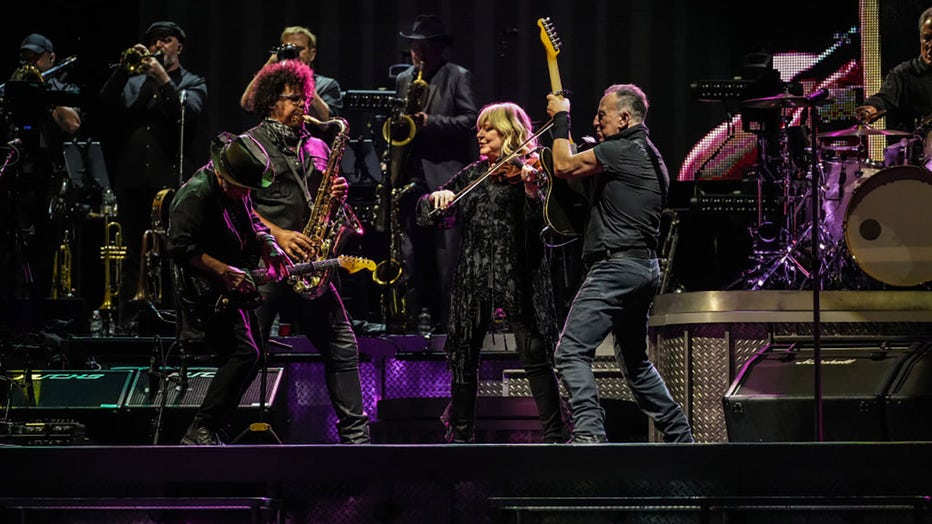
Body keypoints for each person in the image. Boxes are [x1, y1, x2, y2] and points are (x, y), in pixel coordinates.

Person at [544, 84, 693, 444]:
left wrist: (561, 119)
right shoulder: (647, 154)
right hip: (641, 268)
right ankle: (680, 437)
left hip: (617, 268)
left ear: (625, 118)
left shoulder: (623, 150)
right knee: (636, 363)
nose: (596, 121)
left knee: (571, 352)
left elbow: (564, 165)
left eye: (602, 115)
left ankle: (590, 433)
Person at [418, 102, 566, 443]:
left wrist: (531, 193)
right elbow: (429, 216)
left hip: (520, 275)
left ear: (510, 133)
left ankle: (555, 436)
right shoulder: (474, 174)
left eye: (490, 129)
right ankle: (462, 435)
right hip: (475, 274)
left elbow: (545, 229)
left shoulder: (531, 172)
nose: (480, 134)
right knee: (464, 355)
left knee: (534, 353)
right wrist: (435, 197)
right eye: (480, 129)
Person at [242, 59, 370, 444]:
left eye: (306, 99)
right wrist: (277, 233)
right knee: (245, 353)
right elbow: (237, 206)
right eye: (294, 99)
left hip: (310, 264)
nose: (303, 106)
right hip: (266, 266)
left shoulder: (316, 143)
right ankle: (214, 431)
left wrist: (333, 197)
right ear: (269, 102)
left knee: (343, 345)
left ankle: (358, 441)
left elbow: (319, 199)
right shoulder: (249, 145)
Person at [167, 131, 289, 445]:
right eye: (242, 188)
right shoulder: (196, 194)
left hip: (229, 287)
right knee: (244, 352)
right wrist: (223, 271)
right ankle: (202, 429)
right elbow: (179, 247)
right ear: (222, 176)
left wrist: (270, 245)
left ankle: (212, 427)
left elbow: (253, 221)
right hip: (203, 292)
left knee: (252, 354)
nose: (245, 194)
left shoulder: (236, 190)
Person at [99, 20, 207, 331]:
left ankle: (182, 321)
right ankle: (129, 324)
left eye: (167, 40)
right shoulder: (134, 84)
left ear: (179, 47)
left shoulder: (192, 83)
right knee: (135, 253)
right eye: (154, 41)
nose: (160, 46)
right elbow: (106, 105)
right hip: (133, 180)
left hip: (173, 182)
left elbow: (190, 116)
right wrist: (123, 69)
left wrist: (164, 81)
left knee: (178, 252)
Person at [392, 14, 478, 331]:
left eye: (425, 47)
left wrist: (431, 122)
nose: (419, 53)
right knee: (414, 254)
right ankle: (416, 316)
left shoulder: (458, 76)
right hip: (411, 177)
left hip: (445, 177)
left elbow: (471, 120)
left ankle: (448, 319)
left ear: (439, 48)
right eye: (416, 47)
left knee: (447, 255)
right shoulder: (404, 80)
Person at [0, 33, 82, 300]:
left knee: (45, 248)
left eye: (36, 58)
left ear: (52, 58)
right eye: (26, 58)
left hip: (49, 179)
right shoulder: (15, 86)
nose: (31, 63)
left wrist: (44, 94)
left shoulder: (62, 88)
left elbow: (73, 125)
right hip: (16, 178)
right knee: (12, 249)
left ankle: (41, 311)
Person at [855, 7, 932, 167]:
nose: (930, 45)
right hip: (911, 162)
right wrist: (870, 108)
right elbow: (883, 99)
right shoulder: (903, 73)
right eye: (927, 38)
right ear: (920, 38)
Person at [240, 25, 342, 121]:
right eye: (289, 50)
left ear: (312, 54)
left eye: (299, 49)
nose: (294, 54)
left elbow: (326, 122)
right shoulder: (274, 83)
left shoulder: (327, 85)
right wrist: (269, 65)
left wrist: (303, 76)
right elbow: (247, 105)